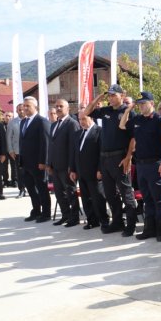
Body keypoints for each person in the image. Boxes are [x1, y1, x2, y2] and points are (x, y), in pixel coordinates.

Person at [85, 84, 138, 235]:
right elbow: (87, 112)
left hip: (120, 157)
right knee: (109, 194)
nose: (111, 98)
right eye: (109, 95)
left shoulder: (128, 112)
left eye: (114, 95)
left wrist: (129, 157)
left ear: (122, 95)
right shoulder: (106, 110)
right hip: (105, 158)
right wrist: (98, 97)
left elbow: (133, 138)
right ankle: (117, 222)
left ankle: (131, 225)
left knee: (126, 192)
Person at [120, 92, 161, 241]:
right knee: (147, 199)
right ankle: (149, 230)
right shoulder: (137, 120)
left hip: (155, 164)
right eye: (140, 104)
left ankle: (160, 231)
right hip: (141, 165)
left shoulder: (160, 120)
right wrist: (128, 110)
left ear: (152, 104)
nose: (141, 106)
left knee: (159, 199)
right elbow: (122, 125)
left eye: (144, 103)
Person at [69, 112, 108, 230]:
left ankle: (104, 220)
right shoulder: (78, 134)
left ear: (91, 118)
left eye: (84, 119)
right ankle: (92, 220)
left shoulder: (99, 131)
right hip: (81, 172)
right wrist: (73, 169)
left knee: (98, 198)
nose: (81, 122)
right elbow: (74, 153)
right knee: (86, 198)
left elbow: (102, 153)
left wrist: (100, 169)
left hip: (94, 172)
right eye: (79, 119)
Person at [47, 99, 82, 227]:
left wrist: (71, 167)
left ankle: (74, 217)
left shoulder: (72, 124)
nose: (58, 108)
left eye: (61, 106)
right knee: (59, 193)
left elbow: (74, 147)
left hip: (66, 166)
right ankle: (65, 215)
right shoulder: (54, 125)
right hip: (55, 166)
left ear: (68, 109)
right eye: (56, 106)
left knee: (70, 192)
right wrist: (49, 164)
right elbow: (51, 146)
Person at [20, 97, 52, 223]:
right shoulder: (23, 122)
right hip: (26, 163)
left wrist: (43, 162)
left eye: (28, 106)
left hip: (38, 163)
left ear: (35, 107)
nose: (25, 108)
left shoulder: (42, 121)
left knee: (42, 188)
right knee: (31, 189)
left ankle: (46, 213)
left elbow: (45, 144)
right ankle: (36, 211)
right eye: (24, 106)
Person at [6, 103, 25, 198]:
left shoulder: (30, 121)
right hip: (17, 152)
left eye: (23, 109)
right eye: (19, 110)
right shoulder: (12, 122)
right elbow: (8, 137)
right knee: (20, 172)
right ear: (16, 111)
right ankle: (21, 190)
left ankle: (33, 189)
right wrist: (10, 150)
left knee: (31, 172)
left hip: (30, 152)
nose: (21, 111)